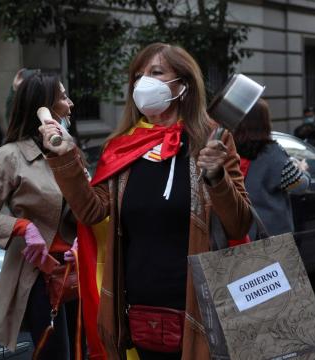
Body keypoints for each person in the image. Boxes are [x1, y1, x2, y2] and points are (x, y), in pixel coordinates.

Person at [39, 43, 252, 360]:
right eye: (137, 76)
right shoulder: (121, 145)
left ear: (183, 84)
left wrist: (216, 177)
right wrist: (65, 159)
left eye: (155, 73)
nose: (143, 83)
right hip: (138, 309)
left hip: (200, 306)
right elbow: (91, 211)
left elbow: (239, 223)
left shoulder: (212, 139)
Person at [0, 73, 79, 359]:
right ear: (45, 108)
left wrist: (82, 237)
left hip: (80, 273)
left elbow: (86, 207)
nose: (71, 104)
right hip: (40, 279)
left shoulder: (68, 149)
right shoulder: (8, 156)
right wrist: (22, 227)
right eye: (63, 97)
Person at [234, 99, 310, 240]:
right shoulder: (271, 152)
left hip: (239, 232)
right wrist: (302, 170)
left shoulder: (230, 147)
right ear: (264, 122)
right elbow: (298, 186)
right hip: (271, 235)